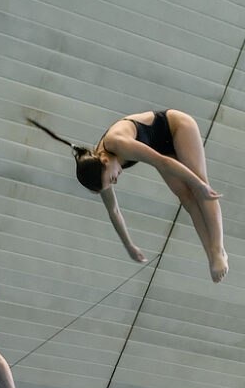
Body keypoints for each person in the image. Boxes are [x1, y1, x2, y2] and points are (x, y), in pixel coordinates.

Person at [28, 111, 228, 282]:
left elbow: (162, 162)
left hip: (176, 127)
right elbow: (113, 211)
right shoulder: (101, 169)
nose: (115, 181)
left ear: (105, 160)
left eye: (112, 178)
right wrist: (129, 245)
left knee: (201, 189)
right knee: (187, 198)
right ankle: (211, 254)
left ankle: (218, 251)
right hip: (160, 149)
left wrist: (200, 184)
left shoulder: (118, 143)